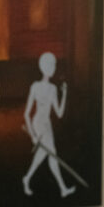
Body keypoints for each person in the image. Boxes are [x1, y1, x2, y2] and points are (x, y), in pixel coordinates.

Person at [22, 50, 76, 198]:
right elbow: (26, 114)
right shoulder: (35, 86)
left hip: (47, 124)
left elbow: (59, 113)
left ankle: (27, 179)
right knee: (51, 154)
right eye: (51, 65)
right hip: (39, 123)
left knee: (47, 154)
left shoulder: (53, 89)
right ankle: (62, 188)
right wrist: (33, 135)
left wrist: (64, 94)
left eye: (54, 65)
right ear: (44, 67)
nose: (53, 68)